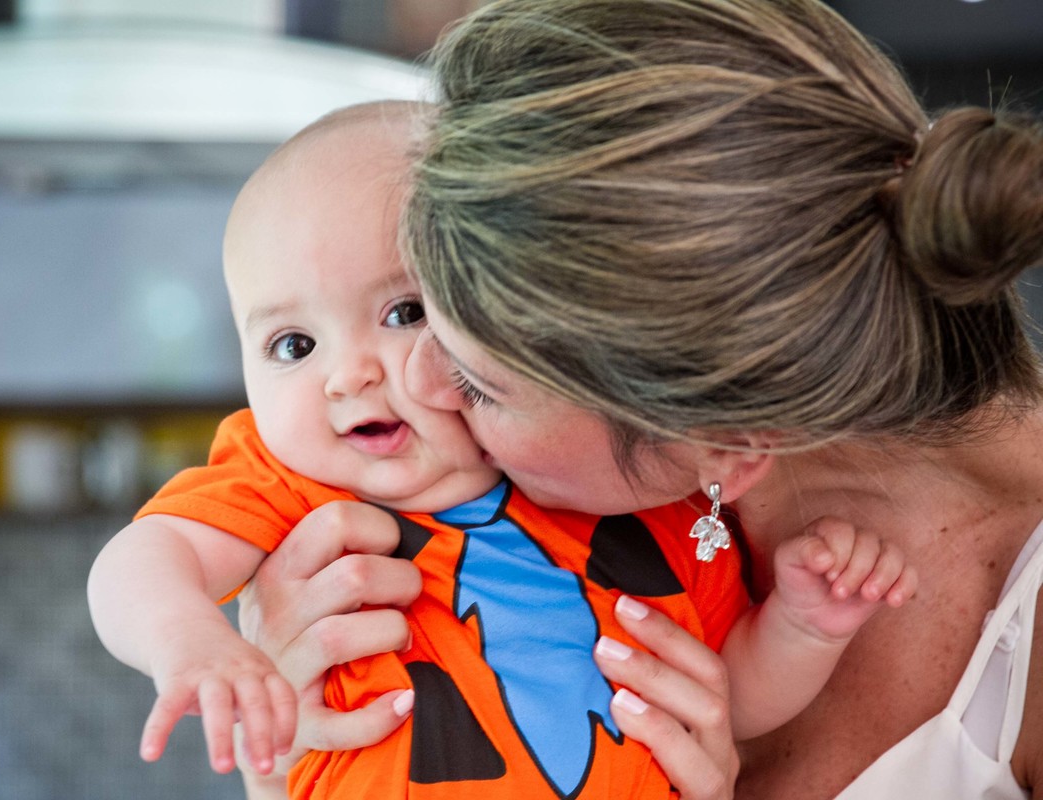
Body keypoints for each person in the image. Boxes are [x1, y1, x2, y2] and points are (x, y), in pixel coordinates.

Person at [229, 1, 1043, 799]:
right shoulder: (449, 487)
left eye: (479, 383)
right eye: (418, 312)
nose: (419, 383)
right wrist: (288, 762)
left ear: (728, 444)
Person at [86, 99, 916, 798]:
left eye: (405, 313)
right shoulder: (284, 482)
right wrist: (192, 641)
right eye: (293, 346)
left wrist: (806, 627)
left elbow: (723, 700)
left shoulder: (637, 497)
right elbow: (145, 559)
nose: (348, 377)